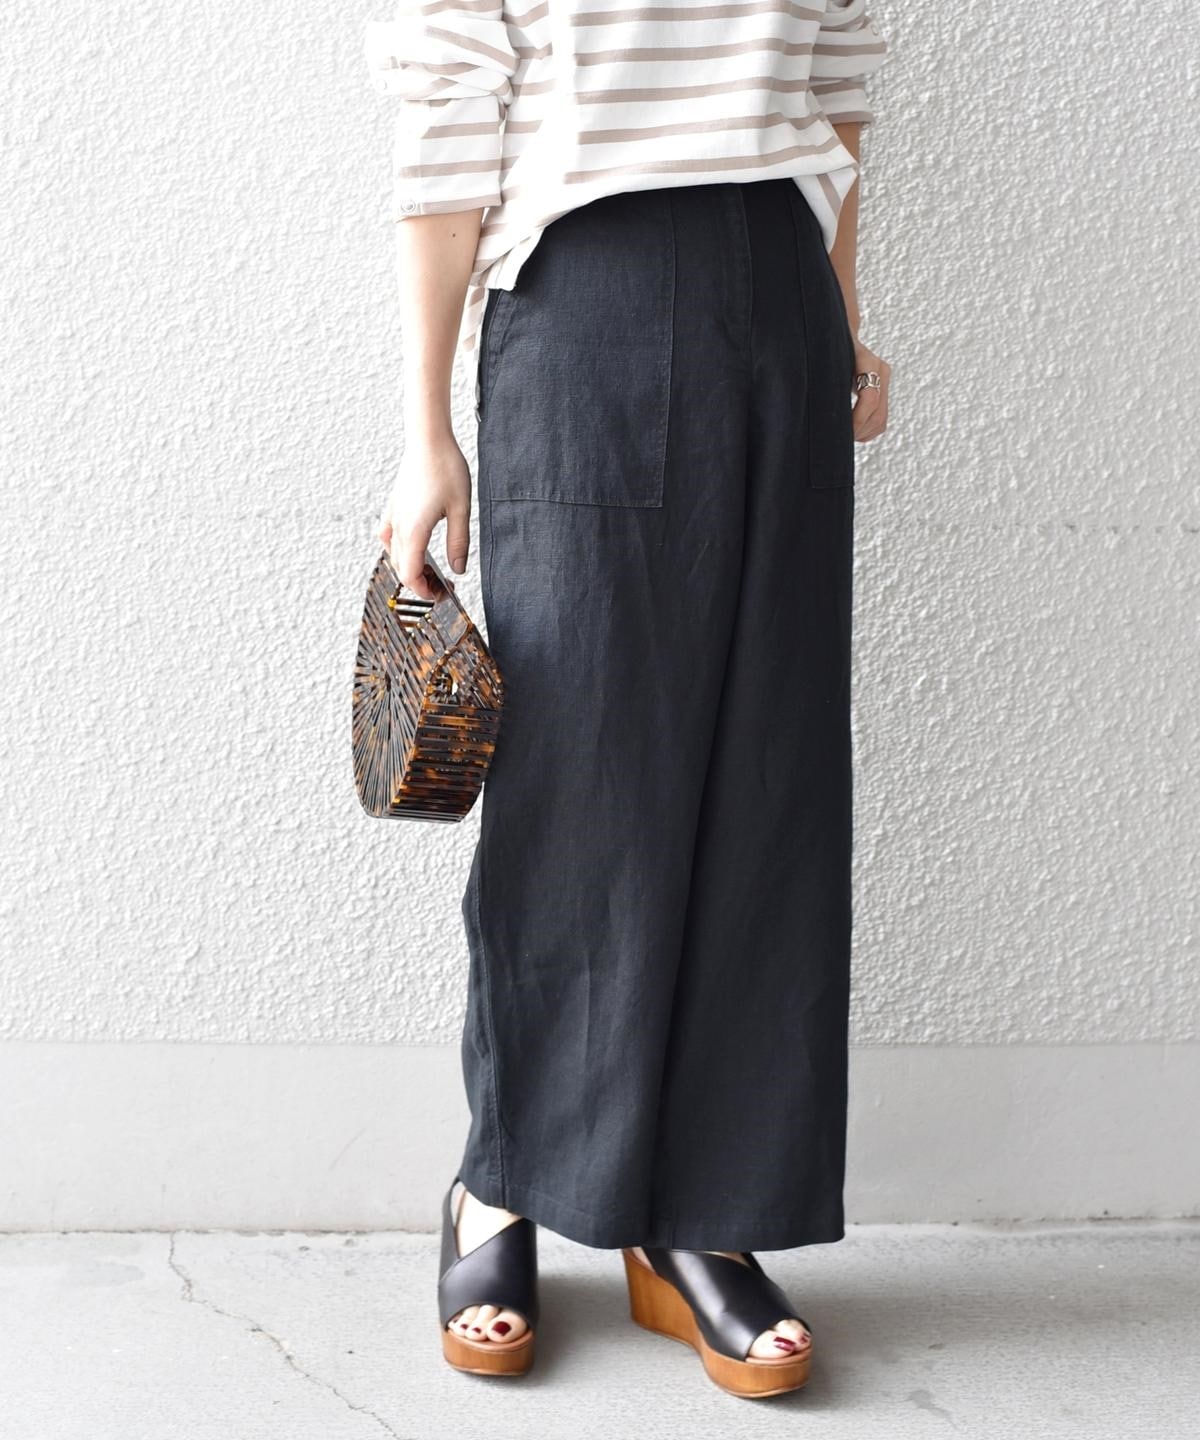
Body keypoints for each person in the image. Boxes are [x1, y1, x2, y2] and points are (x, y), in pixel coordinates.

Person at [365, 0, 892, 1398]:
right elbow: (446, 118)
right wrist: (426, 429)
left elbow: (837, 90)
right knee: (581, 786)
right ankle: (501, 1188)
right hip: (585, 290)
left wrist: (843, 317)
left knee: (768, 776)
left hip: (780, 293)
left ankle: (704, 1217)